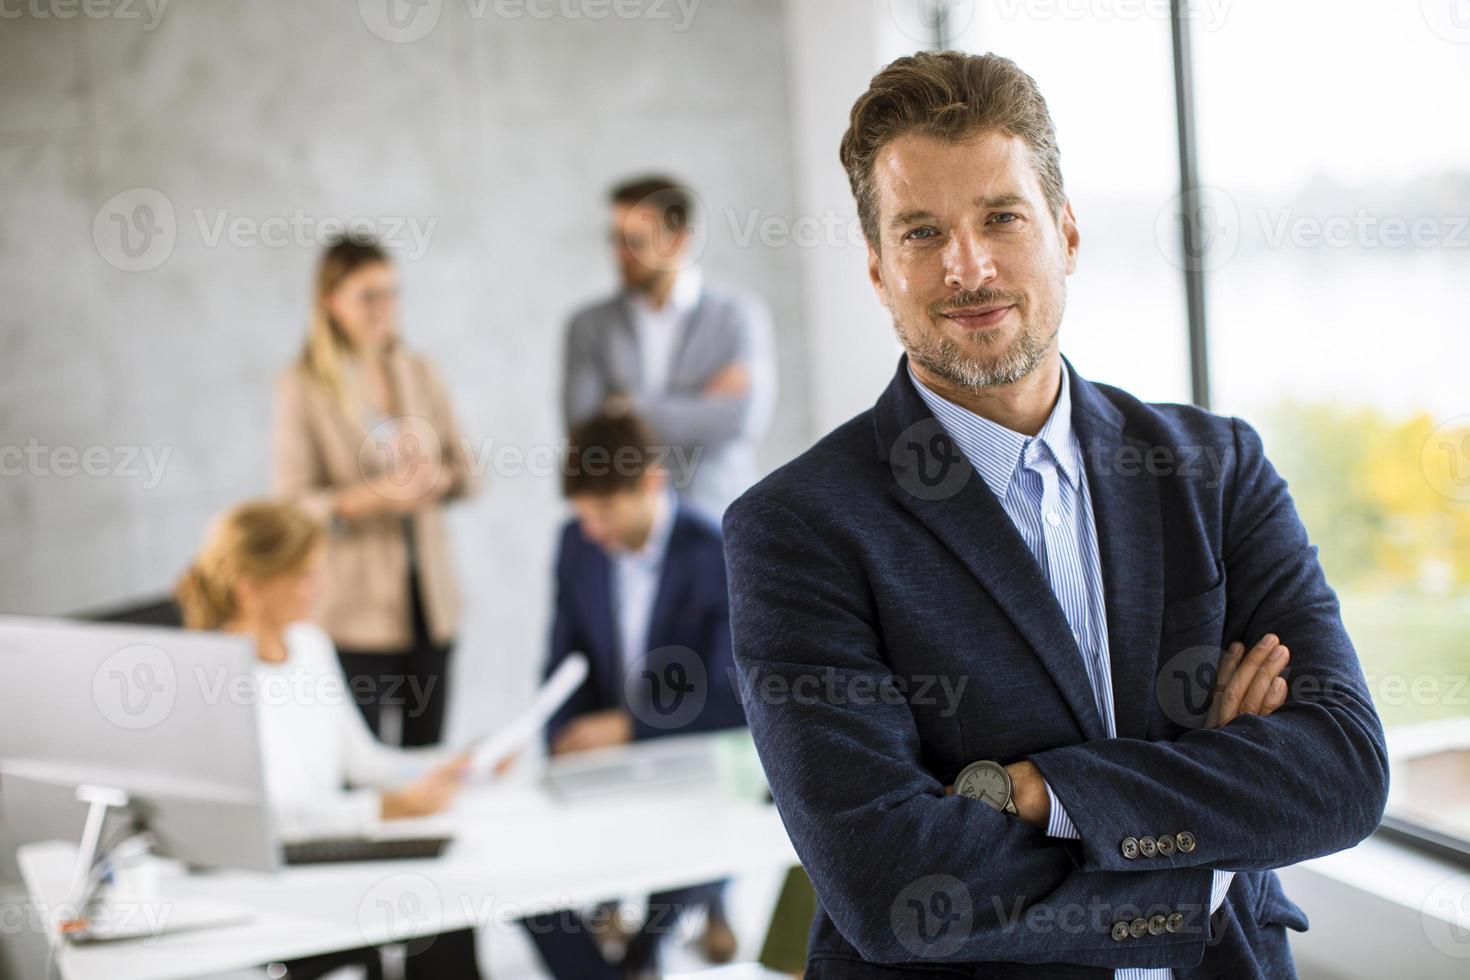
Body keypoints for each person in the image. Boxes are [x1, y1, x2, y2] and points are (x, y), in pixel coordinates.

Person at [721, 51, 1389, 980]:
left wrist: (1040, 794)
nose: (969, 266)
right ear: (878, 270)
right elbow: (893, 885)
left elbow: (1341, 773)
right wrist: (1205, 857)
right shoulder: (797, 529)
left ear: (1067, 233)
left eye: (1002, 217)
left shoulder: (1215, 469)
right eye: (922, 233)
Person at [175, 500, 483, 980]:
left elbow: (363, 763)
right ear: (251, 587)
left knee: (449, 908)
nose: (319, 588)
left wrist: (450, 764)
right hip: (277, 885)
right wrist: (383, 810)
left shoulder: (311, 646)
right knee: (424, 914)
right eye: (304, 575)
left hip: (335, 854)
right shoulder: (211, 679)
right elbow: (270, 819)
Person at [523, 410, 746, 980]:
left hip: (689, 760)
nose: (593, 530)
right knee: (527, 883)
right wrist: (552, 735)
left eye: (603, 513)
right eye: (584, 516)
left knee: (684, 847)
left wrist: (629, 729)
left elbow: (730, 699)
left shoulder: (716, 551)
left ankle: (644, 955)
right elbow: (562, 663)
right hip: (604, 761)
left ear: (649, 482)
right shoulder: (577, 544)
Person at [273, 234, 478, 747]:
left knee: (425, 755)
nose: (384, 308)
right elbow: (295, 505)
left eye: (392, 293)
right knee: (363, 767)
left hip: (429, 606)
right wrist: (381, 494)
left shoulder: (419, 371)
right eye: (368, 295)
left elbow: (469, 472)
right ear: (330, 300)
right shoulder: (302, 387)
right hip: (353, 614)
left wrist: (435, 478)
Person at [562, 175, 777, 520]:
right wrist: (697, 405)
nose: (619, 254)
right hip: (626, 527)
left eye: (634, 242)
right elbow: (587, 432)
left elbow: (738, 419)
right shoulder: (588, 327)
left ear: (676, 241)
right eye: (614, 240)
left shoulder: (737, 318)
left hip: (719, 518)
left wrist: (626, 409)